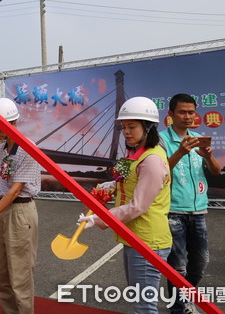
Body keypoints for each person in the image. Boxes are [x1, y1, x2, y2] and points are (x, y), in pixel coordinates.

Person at [78, 97, 172, 314]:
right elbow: (130, 185)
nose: (127, 132)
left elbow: (138, 206)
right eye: (124, 127)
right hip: (135, 237)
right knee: (139, 300)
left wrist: (98, 218)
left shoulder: (152, 161)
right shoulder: (135, 156)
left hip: (148, 240)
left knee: (144, 306)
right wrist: (111, 186)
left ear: (148, 127)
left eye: (132, 127)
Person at [0, 98, 41, 314]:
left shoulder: (27, 148)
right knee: (4, 274)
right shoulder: (4, 147)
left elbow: (15, 191)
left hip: (20, 211)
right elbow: (7, 181)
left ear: (9, 124)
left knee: (20, 275)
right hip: (5, 210)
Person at [159, 94, 221, 314]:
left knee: (201, 263)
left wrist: (208, 156)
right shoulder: (161, 140)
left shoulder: (198, 138)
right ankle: (180, 307)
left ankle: (184, 299)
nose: (187, 116)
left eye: (191, 112)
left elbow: (216, 171)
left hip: (199, 211)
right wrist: (180, 152)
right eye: (182, 112)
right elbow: (158, 172)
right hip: (173, 211)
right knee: (178, 267)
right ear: (170, 115)